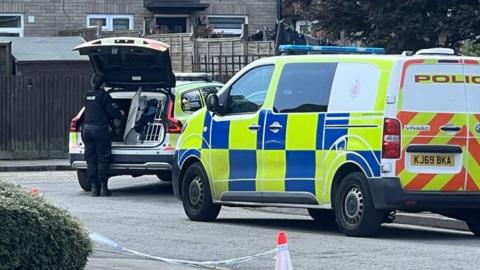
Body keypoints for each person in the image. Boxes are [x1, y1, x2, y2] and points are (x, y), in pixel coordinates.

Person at [82, 73, 121, 196]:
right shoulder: (104, 96)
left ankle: (94, 188)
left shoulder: (87, 95)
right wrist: (119, 113)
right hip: (100, 130)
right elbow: (112, 112)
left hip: (87, 130)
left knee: (91, 159)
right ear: (103, 83)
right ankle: (103, 188)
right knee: (102, 159)